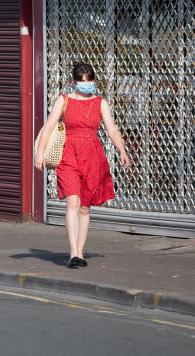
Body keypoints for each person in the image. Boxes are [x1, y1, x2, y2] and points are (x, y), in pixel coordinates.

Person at [34, 61, 131, 268]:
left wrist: (122, 151)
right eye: (82, 81)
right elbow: (49, 126)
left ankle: (81, 252)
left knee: (85, 208)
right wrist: (40, 153)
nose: (86, 85)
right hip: (69, 155)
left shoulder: (100, 103)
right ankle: (74, 253)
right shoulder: (64, 100)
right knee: (72, 202)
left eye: (89, 81)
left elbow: (112, 129)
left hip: (92, 156)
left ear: (94, 81)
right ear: (74, 82)